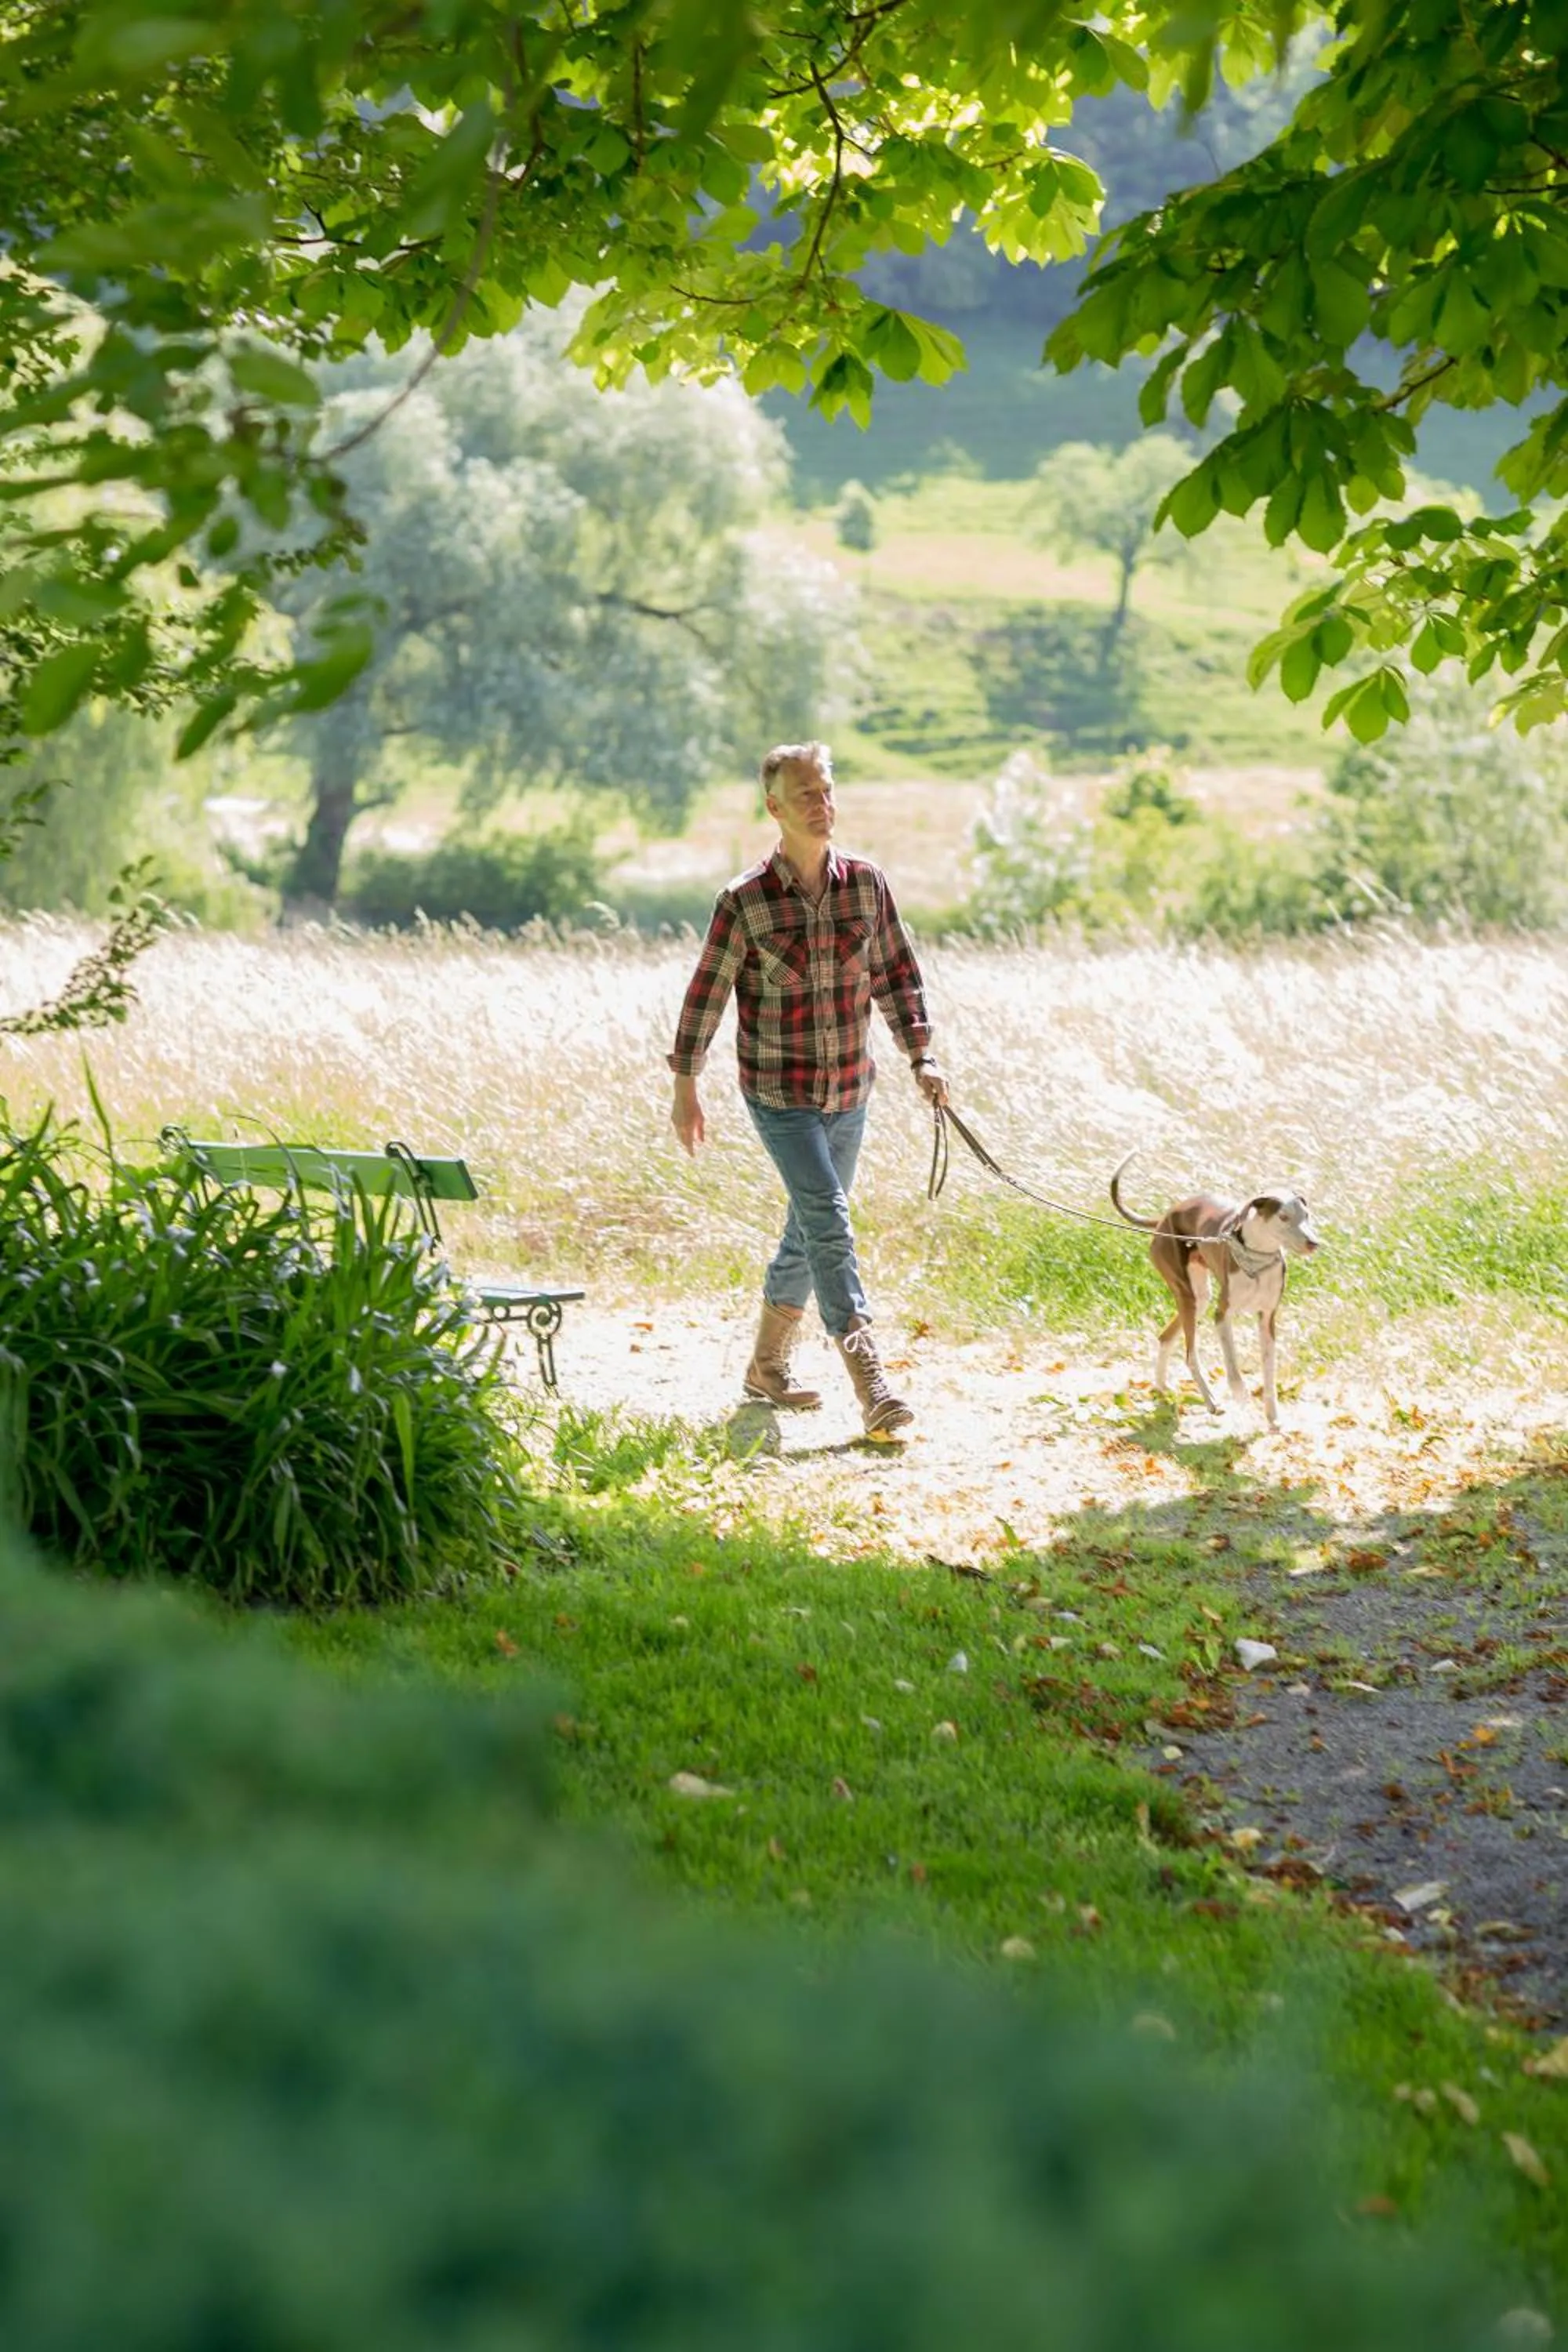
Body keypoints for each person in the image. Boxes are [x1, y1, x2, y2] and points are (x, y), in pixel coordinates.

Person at [668, 740, 949, 1437]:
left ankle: (766, 1367)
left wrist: (922, 1058)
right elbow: (706, 994)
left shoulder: (866, 885)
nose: (823, 807)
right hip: (779, 1093)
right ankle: (872, 1382)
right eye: (806, 797)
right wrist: (686, 1084)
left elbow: (897, 975)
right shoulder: (745, 901)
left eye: (827, 792)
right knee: (828, 1221)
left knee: (808, 1227)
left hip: (851, 1089)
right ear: (774, 808)